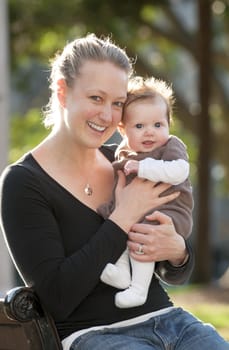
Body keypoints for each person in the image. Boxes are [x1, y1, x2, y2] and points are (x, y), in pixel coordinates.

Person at [0, 33, 228, 350]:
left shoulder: (124, 160)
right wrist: (122, 217)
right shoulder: (23, 183)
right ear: (63, 92)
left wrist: (177, 251)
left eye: (117, 103)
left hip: (170, 322)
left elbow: (170, 271)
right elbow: (57, 298)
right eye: (96, 98)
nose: (107, 116)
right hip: (94, 336)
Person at [99, 75, 194, 309]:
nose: (149, 132)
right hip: (142, 212)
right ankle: (122, 271)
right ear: (123, 130)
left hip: (170, 213)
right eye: (139, 126)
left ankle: (138, 289)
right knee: (115, 223)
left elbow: (179, 171)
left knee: (142, 231)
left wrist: (144, 167)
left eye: (158, 125)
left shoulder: (171, 146)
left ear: (168, 124)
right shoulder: (123, 152)